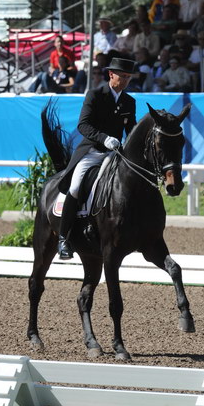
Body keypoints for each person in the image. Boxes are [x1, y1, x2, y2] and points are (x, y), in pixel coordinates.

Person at [57, 57, 137, 259]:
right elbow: (83, 125)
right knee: (75, 187)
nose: (126, 81)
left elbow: (132, 130)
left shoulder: (129, 102)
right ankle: (63, 238)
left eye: (128, 77)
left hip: (114, 154)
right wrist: (104, 138)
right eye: (123, 76)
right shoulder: (95, 95)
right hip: (92, 151)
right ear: (111, 74)